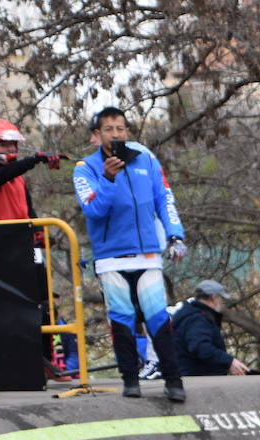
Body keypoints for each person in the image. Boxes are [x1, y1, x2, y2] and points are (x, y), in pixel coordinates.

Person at [72, 106, 187, 401]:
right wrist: (109, 179)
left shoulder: (146, 159)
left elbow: (165, 197)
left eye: (120, 128)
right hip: (111, 256)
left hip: (148, 253)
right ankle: (130, 380)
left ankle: (174, 381)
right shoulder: (85, 168)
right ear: (95, 136)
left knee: (157, 316)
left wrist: (175, 235)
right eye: (108, 129)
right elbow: (93, 209)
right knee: (121, 318)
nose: (116, 134)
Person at [0, 118, 63, 224]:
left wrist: (40, 232)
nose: (10, 149)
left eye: (12, 144)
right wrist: (35, 159)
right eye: (3, 145)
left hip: (23, 235)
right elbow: (5, 173)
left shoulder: (17, 177)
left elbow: (29, 211)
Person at [172, 279, 249, 377]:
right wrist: (229, 361)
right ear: (214, 297)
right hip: (197, 380)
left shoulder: (193, 315)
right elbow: (201, 347)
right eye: (221, 298)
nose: (221, 302)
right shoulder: (197, 319)